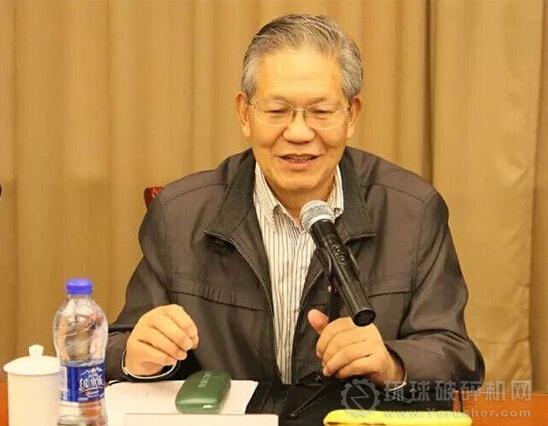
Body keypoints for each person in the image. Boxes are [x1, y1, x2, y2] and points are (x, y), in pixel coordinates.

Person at [106, 14, 484, 390]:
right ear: (244, 114)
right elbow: (117, 347)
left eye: (320, 112)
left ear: (351, 115)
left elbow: (457, 357)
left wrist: (392, 364)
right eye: (277, 111)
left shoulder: (412, 211)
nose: (299, 133)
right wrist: (136, 355)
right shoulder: (179, 214)